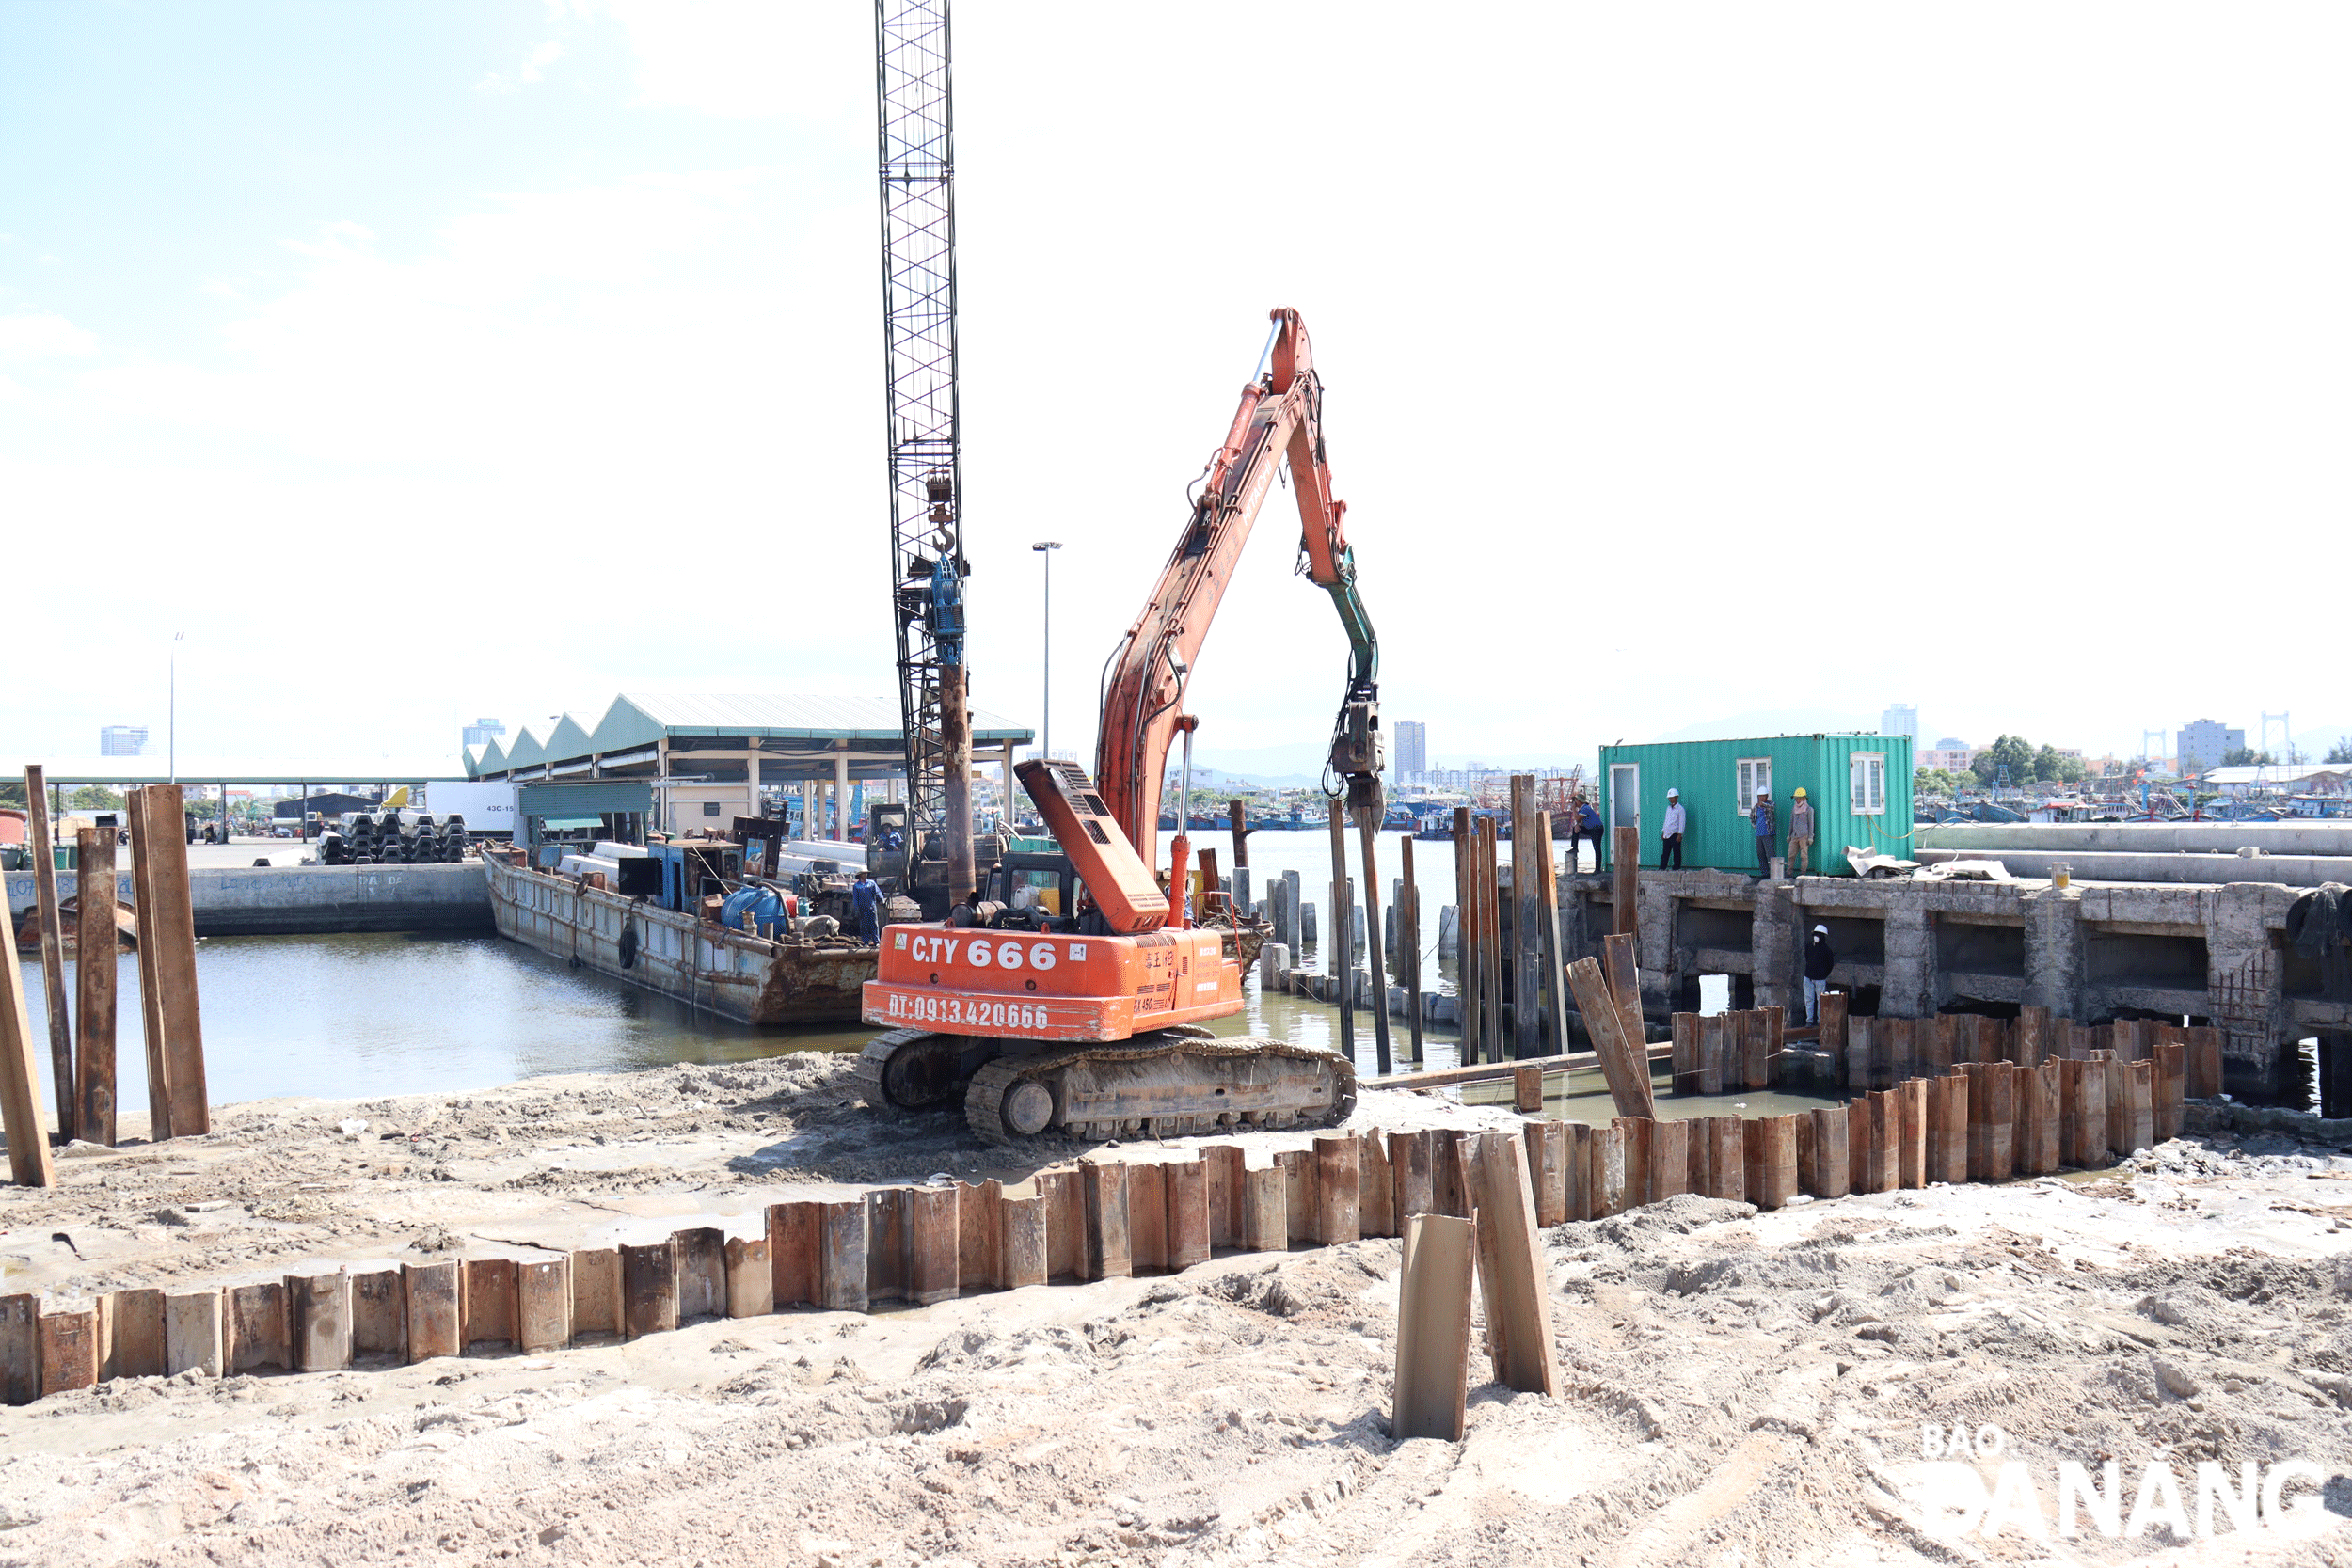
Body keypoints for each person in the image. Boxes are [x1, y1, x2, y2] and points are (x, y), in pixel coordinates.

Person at [1804, 923, 1836, 1024]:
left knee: (1820, 1001)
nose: (1816, 937)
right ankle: (1809, 1020)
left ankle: (1819, 1022)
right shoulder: (1809, 946)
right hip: (1808, 977)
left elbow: (1830, 965)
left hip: (1820, 979)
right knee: (1809, 1000)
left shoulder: (1827, 950)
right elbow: (1807, 957)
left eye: (1819, 935)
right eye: (1815, 934)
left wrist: (1823, 975)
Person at [850, 869, 883, 945]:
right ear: (860, 875)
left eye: (866, 874)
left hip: (871, 907)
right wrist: (856, 909)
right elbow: (855, 899)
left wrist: (881, 899)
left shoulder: (871, 883)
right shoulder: (857, 886)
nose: (865, 875)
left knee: (874, 924)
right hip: (862, 909)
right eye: (864, 874)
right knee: (864, 925)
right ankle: (866, 942)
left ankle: (877, 941)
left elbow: (877, 891)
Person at [1788, 786, 1815, 877]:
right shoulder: (1794, 809)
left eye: (1799, 798)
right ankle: (1789, 873)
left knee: (1803, 856)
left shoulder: (1809, 809)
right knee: (1791, 855)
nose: (1797, 800)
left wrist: (1810, 837)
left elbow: (1811, 824)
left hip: (1804, 836)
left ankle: (1802, 873)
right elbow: (1791, 822)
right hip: (1794, 835)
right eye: (1796, 798)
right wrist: (1789, 835)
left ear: (1804, 798)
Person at [1574, 797, 1604, 871]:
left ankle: (1598, 869)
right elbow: (1579, 820)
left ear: (1579, 801)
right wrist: (1577, 825)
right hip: (1591, 829)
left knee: (1597, 848)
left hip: (1596, 829)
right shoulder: (1582, 809)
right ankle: (1574, 847)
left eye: (1575, 800)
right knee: (1575, 829)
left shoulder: (1585, 808)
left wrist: (1573, 809)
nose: (1574, 802)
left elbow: (1577, 818)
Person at [1752, 788, 1776, 876]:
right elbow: (1751, 818)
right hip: (1759, 834)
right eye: (1760, 796)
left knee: (1770, 854)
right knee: (1760, 854)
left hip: (1768, 833)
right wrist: (1756, 826)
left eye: (1764, 796)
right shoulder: (1755, 807)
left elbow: (1772, 808)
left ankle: (1774, 873)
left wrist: (1764, 805)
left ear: (1767, 796)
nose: (1762, 798)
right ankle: (1764, 873)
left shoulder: (1770, 804)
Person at [1660, 788, 1686, 869]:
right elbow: (1666, 820)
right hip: (1667, 833)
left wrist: (1680, 834)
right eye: (1669, 798)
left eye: (1672, 797)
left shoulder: (1680, 809)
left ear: (1676, 797)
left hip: (1675, 833)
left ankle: (1676, 868)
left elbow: (1682, 822)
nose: (1670, 799)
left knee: (1676, 852)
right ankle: (1662, 867)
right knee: (1665, 852)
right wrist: (1663, 831)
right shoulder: (1668, 808)